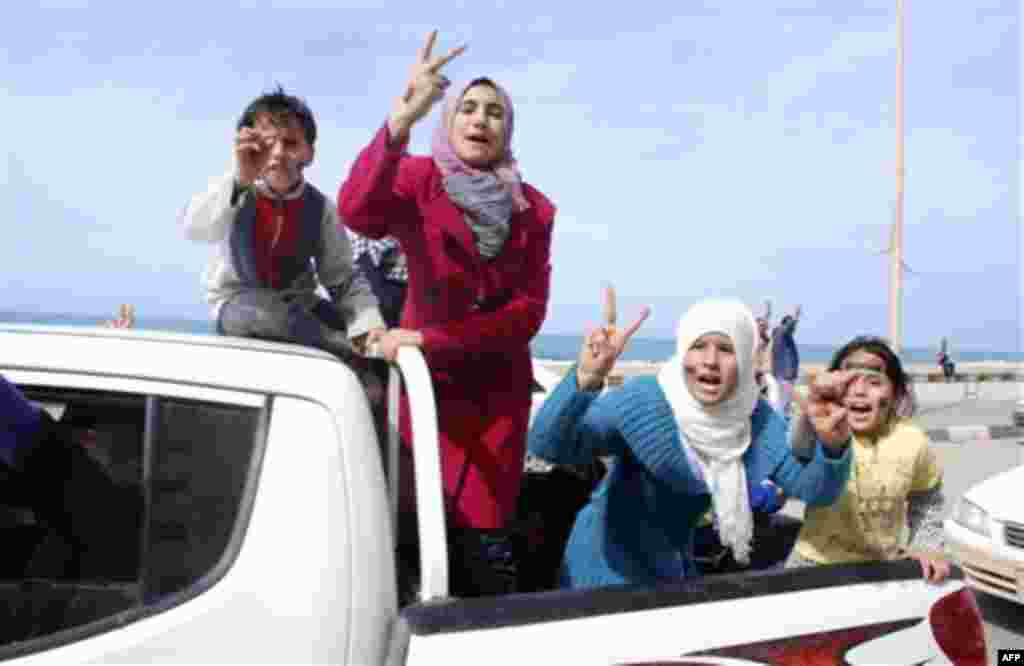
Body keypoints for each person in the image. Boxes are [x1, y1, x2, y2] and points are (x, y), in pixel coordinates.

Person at [337, 31, 556, 597]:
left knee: (486, 550)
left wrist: (431, 339)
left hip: (494, 399)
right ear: (450, 120)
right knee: (413, 539)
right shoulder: (417, 178)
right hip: (424, 396)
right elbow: (357, 211)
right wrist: (400, 120)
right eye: (468, 107)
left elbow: (526, 314)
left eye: (496, 113)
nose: (481, 120)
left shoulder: (535, 209)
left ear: (510, 129)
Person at [527, 298, 854, 590]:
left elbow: (815, 489)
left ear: (743, 359)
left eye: (726, 349)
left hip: (671, 573)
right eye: (699, 346)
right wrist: (586, 377)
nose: (710, 360)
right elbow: (548, 444)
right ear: (683, 352)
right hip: (599, 571)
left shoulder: (757, 420)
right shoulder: (645, 400)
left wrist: (834, 445)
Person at [181, 86, 384, 360]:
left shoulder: (321, 208)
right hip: (240, 305)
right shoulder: (235, 190)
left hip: (301, 306)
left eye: (290, 144)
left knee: (348, 321)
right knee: (269, 314)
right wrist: (240, 178)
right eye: (267, 144)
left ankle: (368, 361)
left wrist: (370, 324)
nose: (277, 153)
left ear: (309, 153)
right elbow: (194, 229)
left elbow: (342, 278)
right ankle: (347, 352)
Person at [786, 335, 951, 583]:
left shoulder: (913, 440)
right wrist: (809, 415)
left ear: (896, 393)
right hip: (812, 564)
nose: (860, 391)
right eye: (848, 382)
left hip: (882, 571)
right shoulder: (823, 429)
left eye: (874, 382)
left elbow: (926, 499)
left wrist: (926, 545)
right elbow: (797, 450)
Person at [770, 305, 802, 416]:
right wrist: (796, 317)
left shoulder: (782, 335)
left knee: (784, 403)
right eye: (792, 327)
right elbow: (788, 327)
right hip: (785, 375)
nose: (794, 329)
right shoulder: (782, 332)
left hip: (784, 374)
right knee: (782, 403)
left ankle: (783, 422)